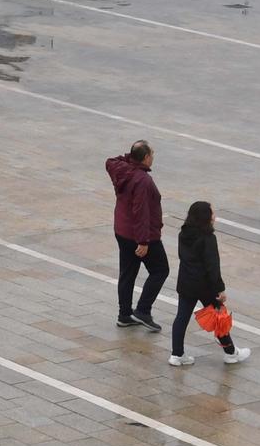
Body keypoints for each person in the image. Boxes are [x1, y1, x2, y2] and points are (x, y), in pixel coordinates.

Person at [170, 201, 252, 366]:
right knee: (219, 316)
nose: (214, 216)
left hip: (186, 282)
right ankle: (230, 353)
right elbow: (212, 266)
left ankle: (176, 354)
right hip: (204, 286)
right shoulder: (208, 238)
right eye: (212, 213)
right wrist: (220, 289)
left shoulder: (183, 234)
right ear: (205, 217)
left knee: (181, 317)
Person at [106, 140, 166, 331]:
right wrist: (144, 241)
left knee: (128, 273)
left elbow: (111, 160)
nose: (153, 158)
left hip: (122, 230)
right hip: (139, 234)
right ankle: (142, 310)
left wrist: (131, 157)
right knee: (160, 270)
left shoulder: (122, 169)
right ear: (146, 157)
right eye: (152, 155)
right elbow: (140, 211)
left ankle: (124, 315)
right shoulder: (142, 180)